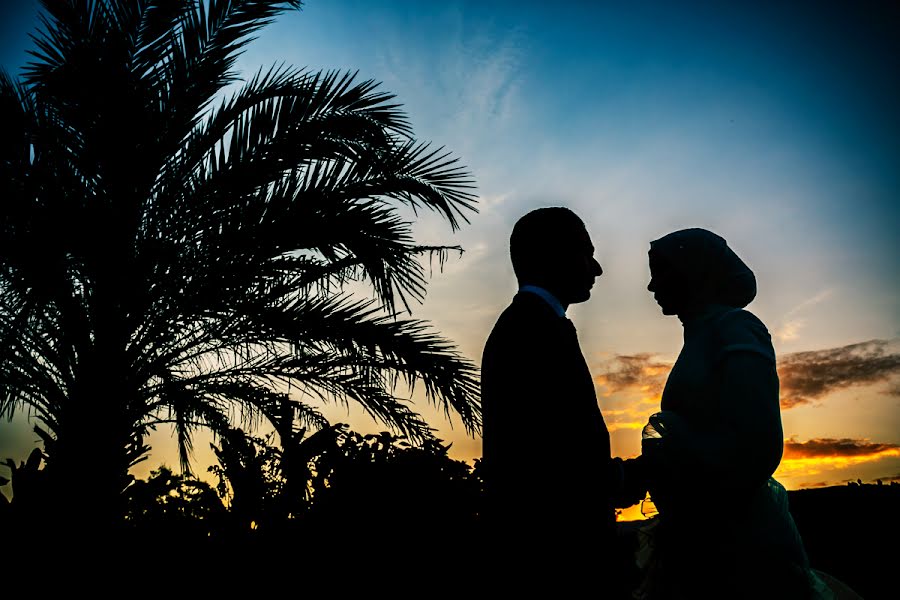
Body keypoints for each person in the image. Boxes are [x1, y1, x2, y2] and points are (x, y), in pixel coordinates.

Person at [636, 227, 830, 599]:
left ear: (694, 271)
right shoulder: (700, 335)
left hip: (736, 542)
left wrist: (672, 446)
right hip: (704, 534)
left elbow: (759, 446)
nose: (650, 286)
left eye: (660, 271)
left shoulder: (736, 327)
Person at [480, 206, 646, 595]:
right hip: (554, 561)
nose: (597, 269)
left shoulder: (529, 325)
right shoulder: (532, 331)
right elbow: (549, 458)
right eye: (586, 253)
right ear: (553, 256)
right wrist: (628, 476)